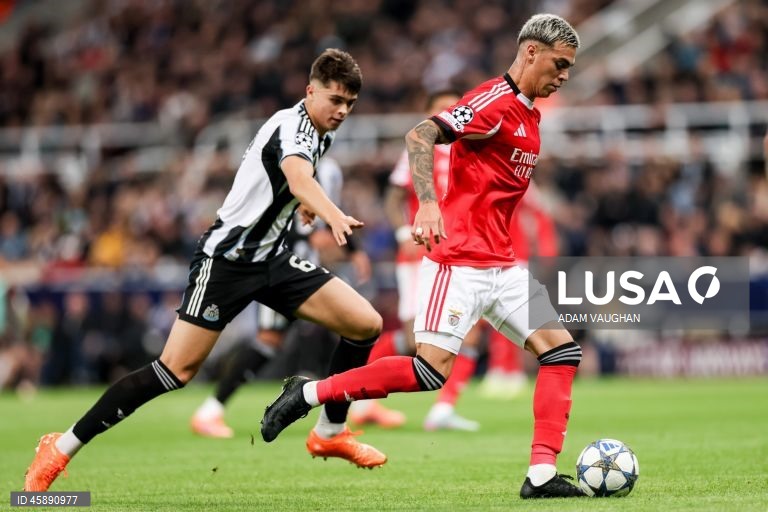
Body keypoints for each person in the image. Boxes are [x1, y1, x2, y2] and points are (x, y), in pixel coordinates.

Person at [24, 48, 386, 493]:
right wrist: (329, 212)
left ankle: (330, 433)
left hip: (271, 260)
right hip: (226, 263)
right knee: (174, 371)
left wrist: (303, 211)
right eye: (335, 100)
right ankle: (59, 448)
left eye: (350, 104)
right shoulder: (293, 126)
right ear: (310, 91)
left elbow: (286, 188)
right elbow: (297, 178)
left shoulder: (318, 130)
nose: (343, 111)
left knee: (365, 325)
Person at [260, 15, 587, 499]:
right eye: (559, 63)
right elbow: (420, 135)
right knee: (428, 371)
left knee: (562, 351)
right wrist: (429, 203)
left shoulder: (528, 114)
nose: (564, 75)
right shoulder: (491, 103)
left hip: (502, 264)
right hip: (458, 264)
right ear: (531, 52)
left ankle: (540, 477)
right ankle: (308, 393)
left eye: (570, 68)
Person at [191, 157, 373, 438]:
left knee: (350, 327)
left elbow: (329, 211)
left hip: (304, 269)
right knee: (270, 340)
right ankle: (210, 410)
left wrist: (353, 249)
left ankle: (357, 406)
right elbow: (277, 212)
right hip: (282, 267)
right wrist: (306, 241)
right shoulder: (292, 162)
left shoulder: (324, 166)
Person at [349, 89, 481, 432]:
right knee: (413, 341)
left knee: (470, 332)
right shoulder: (420, 150)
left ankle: (444, 409)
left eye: (453, 108)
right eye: (440, 109)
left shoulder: (469, 150)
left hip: (460, 255)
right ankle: (356, 396)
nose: (448, 114)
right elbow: (394, 197)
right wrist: (402, 233)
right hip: (420, 256)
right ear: (428, 114)